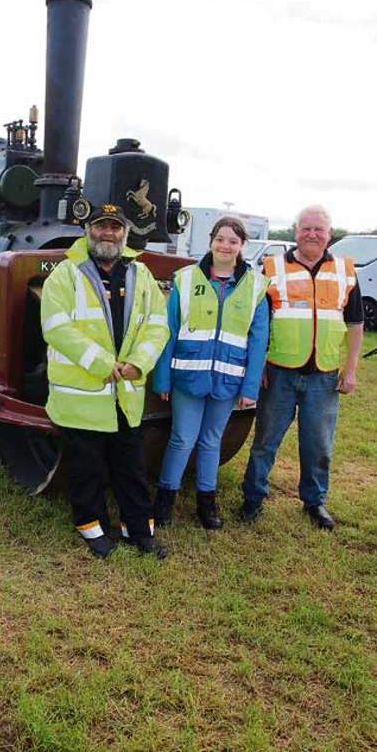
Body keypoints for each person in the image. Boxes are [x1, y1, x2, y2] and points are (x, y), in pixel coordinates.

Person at [40, 203, 170, 559]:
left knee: (132, 468)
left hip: (124, 395)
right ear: (88, 230)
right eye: (100, 226)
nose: (107, 233)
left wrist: (139, 363)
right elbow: (56, 327)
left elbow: (157, 324)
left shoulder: (141, 274)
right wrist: (102, 364)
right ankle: (92, 529)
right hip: (81, 397)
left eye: (114, 227)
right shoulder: (65, 275)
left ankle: (139, 531)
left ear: (124, 233)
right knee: (87, 470)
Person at [240, 205, 364, 530]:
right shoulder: (272, 268)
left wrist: (350, 370)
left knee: (318, 445)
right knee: (265, 441)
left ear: (329, 234)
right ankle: (253, 497)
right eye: (306, 228)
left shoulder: (344, 271)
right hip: (278, 373)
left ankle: (314, 501)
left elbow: (355, 324)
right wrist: (258, 366)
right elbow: (258, 324)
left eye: (318, 229)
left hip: (324, 376)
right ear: (295, 231)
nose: (312, 234)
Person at [152, 216, 270, 529]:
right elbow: (168, 331)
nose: (225, 246)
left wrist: (250, 388)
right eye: (220, 239)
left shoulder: (256, 286)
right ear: (211, 241)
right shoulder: (185, 279)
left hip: (228, 380)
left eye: (233, 241)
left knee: (211, 441)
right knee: (182, 439)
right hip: (187, 378)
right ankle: (164, 500)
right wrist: (162, 378)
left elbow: (258, 341)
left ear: (242, 245)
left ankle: (206, 502)